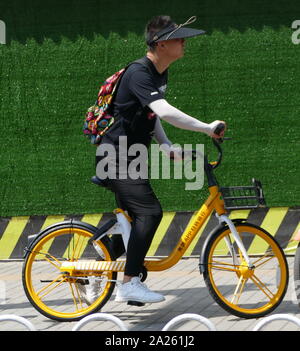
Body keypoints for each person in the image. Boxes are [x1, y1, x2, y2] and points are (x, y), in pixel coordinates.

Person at [82, 15, 226, 305]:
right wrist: (207, 127)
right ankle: (129, 283)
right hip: (116, 156)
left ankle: (96, 267)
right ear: (161, 44)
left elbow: (152, 115)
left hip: (130, 156)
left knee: (137, 222)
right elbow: (165, 111)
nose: (184, 42)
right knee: (151, 213)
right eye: (179, 37)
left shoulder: (159, 73)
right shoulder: (139, 72)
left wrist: (167, 145)